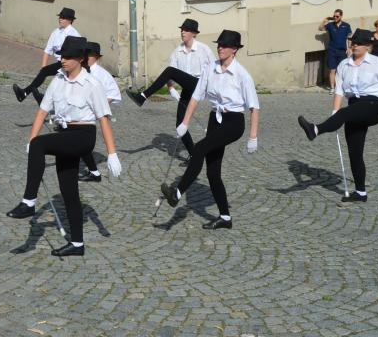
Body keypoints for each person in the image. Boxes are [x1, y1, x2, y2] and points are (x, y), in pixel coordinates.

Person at [5, 36, 122, 257]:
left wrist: (112, 154)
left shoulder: (91, 84)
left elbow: (103, 119)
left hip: (84, 135)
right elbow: (42, 111)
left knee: (41, 144)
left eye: (68, 57)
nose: (62, 60)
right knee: (69, 192)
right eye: (61, 56)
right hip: (65, 135)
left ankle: (28, 202)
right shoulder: (58, 80)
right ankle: (77, 244)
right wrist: (31, 140)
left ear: (80, 59)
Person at [297, 29, 378, 202]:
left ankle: (315, 130)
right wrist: (335, 114)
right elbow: (339, 91)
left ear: (368, 46)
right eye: (353, 42)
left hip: (374, 105)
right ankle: (360, 193)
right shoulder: (344, 65)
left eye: (359, 43)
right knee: (354, 152)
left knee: (345, 113)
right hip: (354, 107)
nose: (355, 45)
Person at [161, 30, 260, 230]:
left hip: (233, 122)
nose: (220, 48)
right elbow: (196, 96)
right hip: (215, 118)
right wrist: (185, 123)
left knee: (199, 148)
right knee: (213, 172)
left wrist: (253, 136)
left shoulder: (242, 74)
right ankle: (225, 218)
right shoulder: (210, 68)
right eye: (219, 45)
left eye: (225, 45)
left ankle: (177, 193)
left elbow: (254, 107)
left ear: (234, 49)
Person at [125, 18, 213, 156]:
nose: (182, 32)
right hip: (187, 88)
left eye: (186, 30)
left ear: (194, 33)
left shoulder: (204, 49)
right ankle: (193, 155)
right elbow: (169, 75)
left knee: (170, 71)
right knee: (179, 124)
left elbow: (214, 70)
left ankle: (143, 96)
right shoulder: (178, 51)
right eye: (182, 30)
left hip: (199, 84)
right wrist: (171, 89)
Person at [12, 8, 81, 103]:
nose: (60, 19)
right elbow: (48, 50)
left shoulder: (74, 34)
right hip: (60, 63)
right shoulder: (56, 32)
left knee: (59, 85)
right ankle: (32, 96)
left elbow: (77, 54)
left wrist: (45, 71)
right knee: (50, 77)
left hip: (70, 64)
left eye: (63, 17)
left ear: (70, 20)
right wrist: (43, 67)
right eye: (60, 17)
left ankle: (29, 95)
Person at [77, 41, 121, 183]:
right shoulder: (80, 70)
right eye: (85, 55)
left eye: (89, 55)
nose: (86, 58)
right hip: (79, 111)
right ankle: (94, 172)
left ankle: (92, 172)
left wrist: (100, 104)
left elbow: (114, 94)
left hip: (92, 113)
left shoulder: (103, 74)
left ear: (97, 57)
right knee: (79, 141)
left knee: (81, 141)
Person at [319, 9, 353, 95]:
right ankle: (332, 88)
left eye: (337, 16)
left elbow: (349, 37)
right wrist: (324, 21)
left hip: (342, 51)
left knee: (343, 70)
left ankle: (342, 87)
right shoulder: (330, 25)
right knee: (332, 70)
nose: (335, 17)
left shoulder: (346, 25)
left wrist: (349, 48)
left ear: (341, 16)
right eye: (334, 16)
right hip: (332, 50)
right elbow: (320, 29)